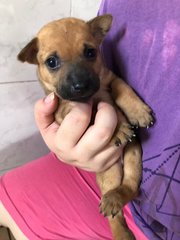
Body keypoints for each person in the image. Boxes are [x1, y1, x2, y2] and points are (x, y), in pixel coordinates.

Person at [0, 0, 179, 239]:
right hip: (100, 160)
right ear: (36, 59)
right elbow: (67, 117)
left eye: (89, 53)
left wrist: (132, 105)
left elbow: (114, 82)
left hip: (154, 190)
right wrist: (65, 147)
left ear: (97, 38)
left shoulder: (102, 71)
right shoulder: (58, 98)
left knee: (129, 157)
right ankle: (117, 225)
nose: (77, 78)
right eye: (53, 62)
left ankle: (126, 193)